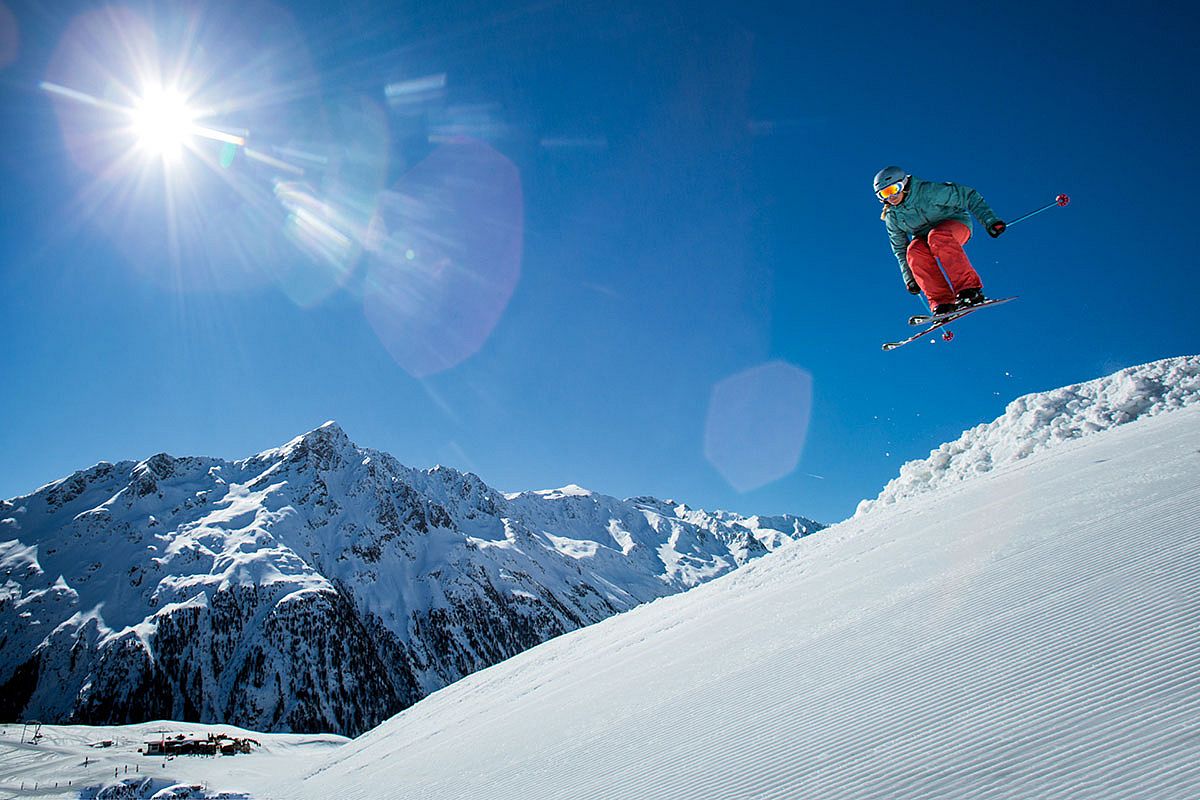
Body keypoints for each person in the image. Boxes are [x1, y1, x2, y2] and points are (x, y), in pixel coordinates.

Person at [874, 166, 1006, 316]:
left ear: (903, 184)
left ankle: (969, 290)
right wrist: (910, 278)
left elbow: (968, 196)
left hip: (955, 224)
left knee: (937, 236)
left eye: (893, 189)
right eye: (885, 193)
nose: (891, 197)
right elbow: (900, 249)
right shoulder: (892, 217)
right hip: (925, 238)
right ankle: (942, 303)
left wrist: (990, 221)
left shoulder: (927, 192)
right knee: (914, 250)